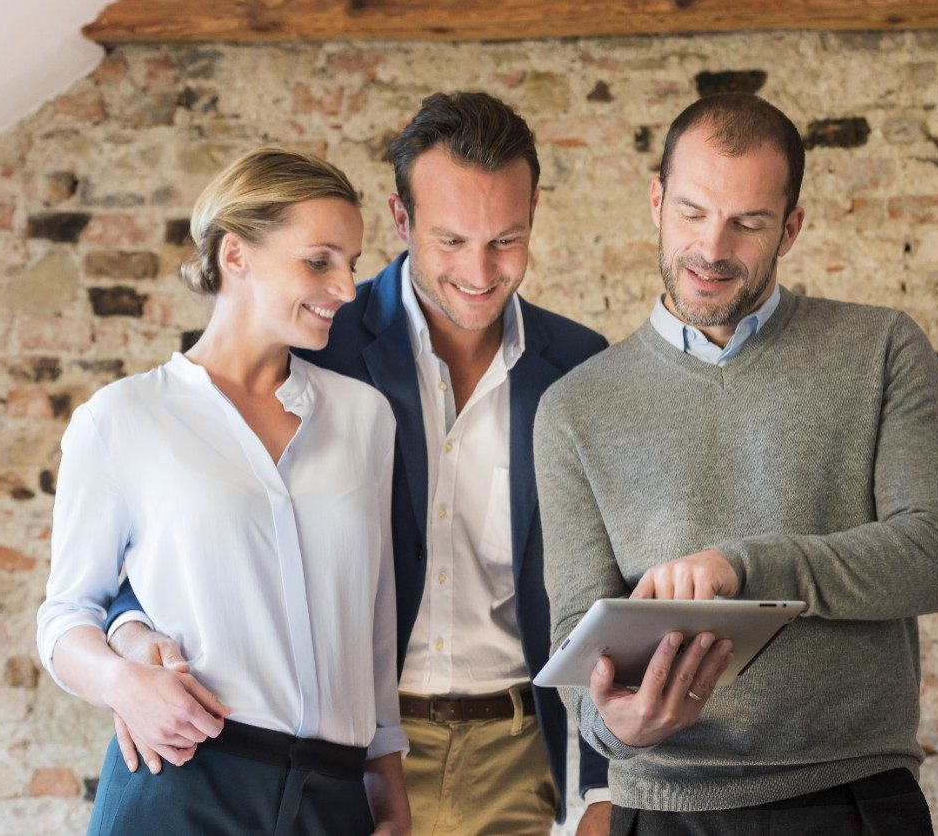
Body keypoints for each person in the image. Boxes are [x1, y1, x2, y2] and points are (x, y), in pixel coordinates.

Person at [105, 92, 612, 834]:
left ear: (534, 212)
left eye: (507, 238)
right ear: (400, 220)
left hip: (517, 751)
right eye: (450, 240)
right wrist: (127, 652)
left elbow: (604, 583)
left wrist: (597, 789)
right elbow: (179, 528)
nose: (480, 269)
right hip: (345, 762)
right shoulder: (317, 343)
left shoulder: (580, 368)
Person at [534, 92, 938, 835]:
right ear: (655, 200)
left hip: (854, 794)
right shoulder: (574, 407)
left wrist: (745, 569)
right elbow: (580, 639)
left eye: (748, 222)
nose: (712, 247)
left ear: (792, 227)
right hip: (662, 805)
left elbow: (936, 554)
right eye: (693, 212)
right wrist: (621, 726)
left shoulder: (883, 349)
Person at [36, 148, 411, 835]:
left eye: (353, 263)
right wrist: (124, 682)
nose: (348, 288)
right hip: (182, 783)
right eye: (321, 260)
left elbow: (374, 623)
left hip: (334, 800)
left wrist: (387, 791)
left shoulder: (365, 417)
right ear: (235, 255)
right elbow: (64, 617)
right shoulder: (122, 418)